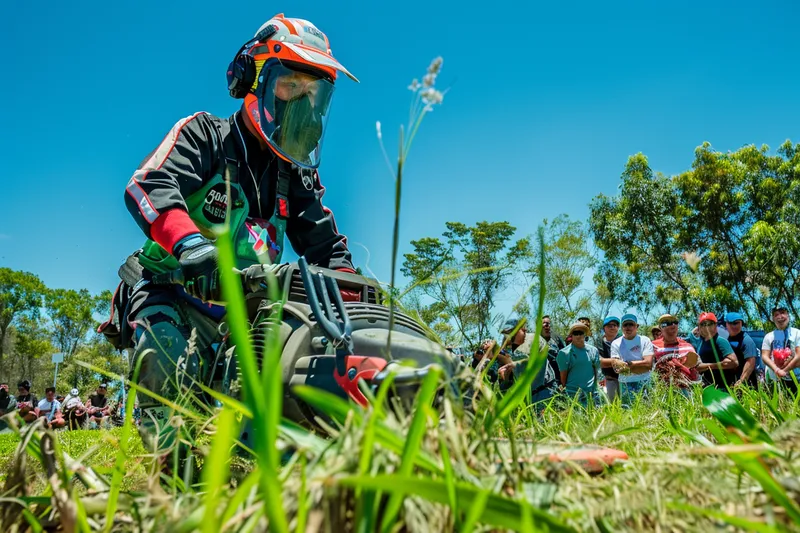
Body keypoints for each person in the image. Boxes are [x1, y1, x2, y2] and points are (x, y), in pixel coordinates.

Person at [97, 14, 361, 452]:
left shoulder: (294, 176)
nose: (301, 103)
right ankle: (169, 469)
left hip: (246, 312)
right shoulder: (205, 134)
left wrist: (355, 296)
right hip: (172, 293)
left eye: (312, 93)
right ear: (252, 78)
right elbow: (148, 184)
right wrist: (189, 243)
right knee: (167, 364)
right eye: (290, 85)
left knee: (287, 376)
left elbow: (327, 248)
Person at [494, 318, 557, 405]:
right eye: (506, 333)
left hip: (544, 391)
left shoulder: (534, 339)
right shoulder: (505, 349)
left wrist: (516, 365)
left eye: (512, 331)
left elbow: (540, 360)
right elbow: (506, 380)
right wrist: (506, 377)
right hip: (525, 398)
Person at [605, 314, 654, 405]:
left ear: (637, 326)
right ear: (622, 328)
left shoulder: (645, 340)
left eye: (631, 324)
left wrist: (628, 365)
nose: (628, 327)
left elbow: (648, 364)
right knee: (627, 412)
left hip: (644, 382)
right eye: (625, 325)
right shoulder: (616, 343)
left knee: (647, 410)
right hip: (625, 384)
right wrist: (639, 366)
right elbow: (617, 367)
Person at [651, 313, 699, 394]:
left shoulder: (688, 346)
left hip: (687, 391)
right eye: (666, 323)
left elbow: (697, 366)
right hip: (663, 392)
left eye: (675, 322)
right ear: (660, 328)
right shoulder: (653, 346)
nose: (671, 325)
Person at [556, 322, 602, 405]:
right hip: (573, 395)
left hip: (591, 393)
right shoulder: (564, 353)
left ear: (585, 335)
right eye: (575, 333)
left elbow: (596, 371)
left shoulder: (593, 350)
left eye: (580, 333)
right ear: (571, 335)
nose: (578, 336)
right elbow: (563, 378)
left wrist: (595, 388)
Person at [761, 306, 800, 394]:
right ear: (773, 319)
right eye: (776, 315)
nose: (780, 317)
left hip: (797, 378)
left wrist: (785, 370)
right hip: (776, 379)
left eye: (782, 313)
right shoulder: (769, 336)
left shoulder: (797, 333)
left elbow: (799, 356)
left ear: (788, 316)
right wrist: (777, 370)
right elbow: (764, 356)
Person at [695, 312, 739, 390]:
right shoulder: (701, 342)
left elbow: (734, 362)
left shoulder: (720, 341)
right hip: (707, 387)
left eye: (710, 324)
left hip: (722, 388)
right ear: (699, 327)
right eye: (703, 324)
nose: (706, 327)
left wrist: (708, 366)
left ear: (715, 325)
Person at [724, 312, 759, 388]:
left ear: (741, 324)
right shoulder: (726, 340)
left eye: (736, 323)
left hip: (746, 385)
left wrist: (742, 381)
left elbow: (750, 362)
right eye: (731, 323)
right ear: (726, 324)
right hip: (731, 383)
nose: (734, 326)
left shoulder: (746, 340)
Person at [597, 316, 621, 402]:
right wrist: (617, 362)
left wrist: (609, 362)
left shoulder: (624, 339)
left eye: (615, 325)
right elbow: (600, 361)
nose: (613, 327)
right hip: (610, 380)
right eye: (609, 325)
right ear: (604, 328)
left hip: (626, 380)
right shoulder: (599, 342)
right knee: (612, 407)